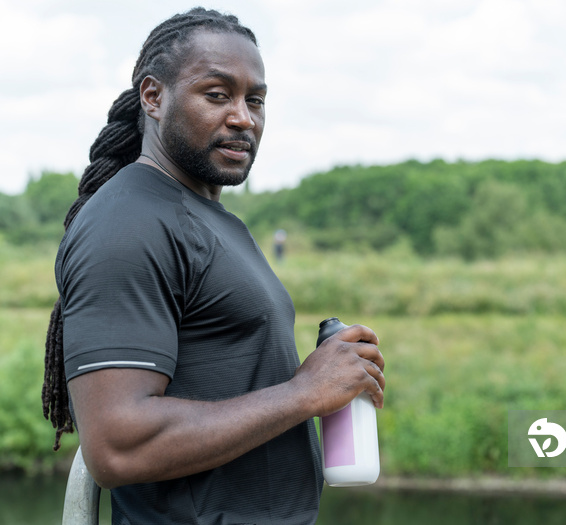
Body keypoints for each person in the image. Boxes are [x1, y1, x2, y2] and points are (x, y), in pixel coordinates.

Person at [41, 8, 385, 524]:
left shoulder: (208, 217)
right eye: (217, 95)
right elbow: (118, 446)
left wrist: (328, 378)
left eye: (256, 100)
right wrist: (302, 393)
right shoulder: (127, 225)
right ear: (153, 97)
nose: (243, 117)